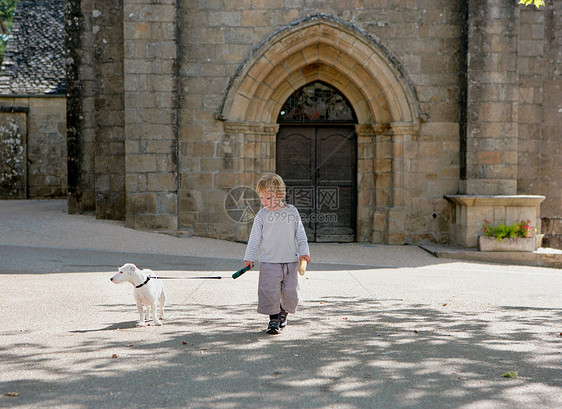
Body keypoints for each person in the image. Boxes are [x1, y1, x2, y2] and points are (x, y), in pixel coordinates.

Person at [243, 173, 311, 334]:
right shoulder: (262, 215)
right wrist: (249, 258)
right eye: (262, 198)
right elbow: (254, 238)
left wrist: (304, 252)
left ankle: (283, 312)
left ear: (280, 195)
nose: (265, 202)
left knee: (291, 293)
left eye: (269, 198)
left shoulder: (292, 212)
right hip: (269, 261)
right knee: (269, 291)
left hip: (290, 261)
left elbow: (300, 234)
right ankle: (273, 320)